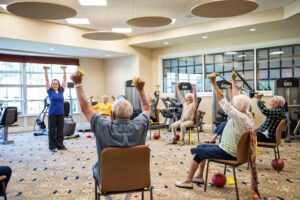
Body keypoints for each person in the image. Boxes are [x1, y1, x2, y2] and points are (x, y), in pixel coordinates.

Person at [70, 71, 150, 200]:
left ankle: (109, 198)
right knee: (131, 167)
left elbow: (85, 108)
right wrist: (141, 90)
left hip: (108, 179)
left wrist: (78, 84)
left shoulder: (103, 125)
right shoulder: (139, 124)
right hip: (137, 178)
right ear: (131, 115)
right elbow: (146, 108)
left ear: (112, 115)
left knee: (96, 167)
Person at [175, 72, 254, 189]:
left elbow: (224, 102)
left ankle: (188, 180)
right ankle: (199, 176)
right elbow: (234, 100)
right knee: (203, 146)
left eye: (234, 104)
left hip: (229, 153)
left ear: (238, 106)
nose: (232, 104)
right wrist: (233, 81)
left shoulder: (240, 117)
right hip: (234, 151)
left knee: (199, 151)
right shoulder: (247, 115)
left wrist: (213, 83)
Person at [44, 66, 67, 152]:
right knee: (52, 130)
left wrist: (64, 70)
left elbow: (64, 80)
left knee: (60, 130)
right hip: (52, 113)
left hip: (61, 113)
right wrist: (46, 71)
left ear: (58, 84)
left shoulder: (61, 90)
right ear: (52, 85)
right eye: (53, 84)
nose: (55, 85)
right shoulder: (50, 91)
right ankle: (52, 146)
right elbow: (46, 81)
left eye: (56, 83)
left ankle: (60, 145)